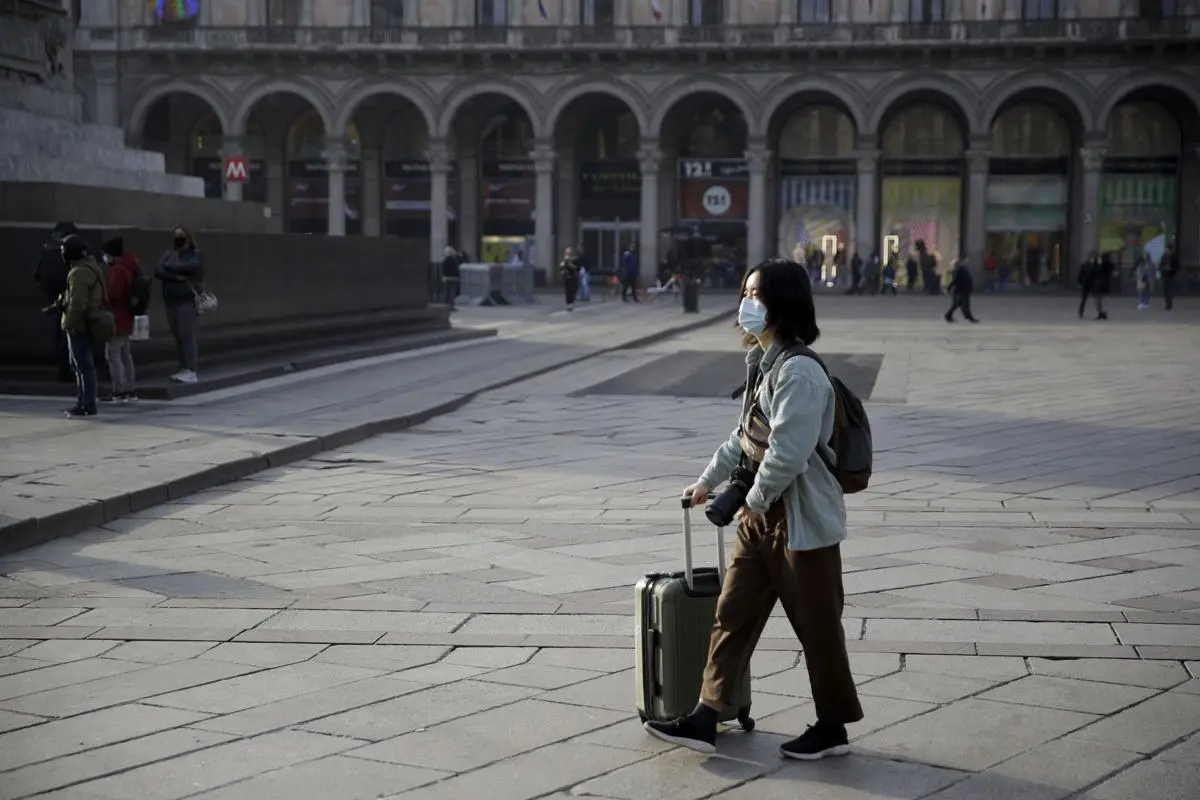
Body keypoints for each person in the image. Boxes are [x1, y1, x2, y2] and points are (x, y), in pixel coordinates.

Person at [644, 258, 863, 760]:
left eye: (755, 295)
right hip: (760, 519)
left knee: (818, 627)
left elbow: (787, 451)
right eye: (744, 293)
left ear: (782, 304)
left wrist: (755, 502)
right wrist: (707, 481)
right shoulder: (765, 365)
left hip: (800, 523)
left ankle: (832, 727)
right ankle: (706, 714)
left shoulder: (801, 372)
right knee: (731, 617)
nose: (745, 304)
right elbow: (744, 440)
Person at [58, 234, 105, 418]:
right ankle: (85, 402)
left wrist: (68, 323)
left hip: (79, 325)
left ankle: (86, 404)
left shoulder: (78, 272)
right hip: (87, 323)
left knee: (82, 366)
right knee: (82, 365)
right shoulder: (90, 267)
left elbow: (78, 303)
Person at [155, 226, 204, 383]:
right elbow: (158, 271)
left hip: (187, 301)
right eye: (175, 235)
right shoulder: (169, 254)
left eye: (181, 235)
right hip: (171, 301)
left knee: (186, 335)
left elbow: (192, 268)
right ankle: (183, 367)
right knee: (178, 336)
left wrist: (170, 269)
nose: (177, 238)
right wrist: (176, 276)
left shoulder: (195, 255)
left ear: (188, 238)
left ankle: (191, 369)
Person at [34, 221, 78, 382]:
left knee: (60, 331)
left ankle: (63, 369)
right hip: (71, 295)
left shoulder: (47, 248)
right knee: (72, 334)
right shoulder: (73, 248)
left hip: (53, 295)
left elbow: (38, 274)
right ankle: (70, 369)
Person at [101, 237, 141, 402]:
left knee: (113, 354)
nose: (104, 258)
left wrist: (101, 299)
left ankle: (119, 390)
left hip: (116, 318)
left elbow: (113, 295)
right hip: (127, 317)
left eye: (105, 254)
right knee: (125, 354)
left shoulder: (117, 270)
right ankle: (130, 389)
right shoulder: (130, 267)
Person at [945, 257, 979, 323]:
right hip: (961, 290)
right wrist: (949, 288)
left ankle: (949, 315)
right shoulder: (960, 270)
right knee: (964, 305)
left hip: (963, 290)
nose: (967, 262)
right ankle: (969, 317)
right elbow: (955, 280)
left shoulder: (963, 269)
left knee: (957, 304)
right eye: (966, 260)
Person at [1078, 252, 1100, 319]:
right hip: (1086, 284)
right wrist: (1079, 283)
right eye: (1091, 258)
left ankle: (1100, 312)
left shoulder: (1097, 266)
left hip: (1094, 284)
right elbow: (1080, 275)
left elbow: (1099, 275)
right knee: (1084, 299)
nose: (1092, 259)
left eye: (1093, 258)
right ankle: (1081, 312)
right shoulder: (1085, 265)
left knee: (1097, 300)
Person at [560, 246, 581, 311]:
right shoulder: (564, 260)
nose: (567, 253)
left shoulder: (575, 259)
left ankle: (571, 302)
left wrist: (568, 263)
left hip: (573, 277)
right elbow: (561, 267)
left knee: (573, 290)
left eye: (568, 252)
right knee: (568, 291)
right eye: (566, 252)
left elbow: (576, 268)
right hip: (567, 277)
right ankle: (569, 303)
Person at [441, 245, 460, 311]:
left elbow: (443, 269)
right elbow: (456, 269)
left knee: (446, 292)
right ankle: (451, 306)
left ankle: (446, 305)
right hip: (454, 278)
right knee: (452, 292)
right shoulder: (454, 260)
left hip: (446, 278)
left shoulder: (445, 260)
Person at [1094, 253, 1114, 320]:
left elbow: (1098, 271)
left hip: (1101, 284)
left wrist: (1099, 263)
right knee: (1102, 300)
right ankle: (1102, 313)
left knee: (1100, 300)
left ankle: (1102, 313)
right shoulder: (1107, 265)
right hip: (1103, 285)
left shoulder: (1105, 265)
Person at [1160, 243, 1179, 311]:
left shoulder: (1174, 257)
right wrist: (1163, 268)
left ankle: (1169, 304)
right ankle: (1167, 303)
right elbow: (1160, 265)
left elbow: (1177, 267)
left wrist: (1171, 269)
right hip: (1165, 275)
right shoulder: (1164, 256)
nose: (1167, 251)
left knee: (1170, 290)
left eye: (1168, 250)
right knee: (1166, 290)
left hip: (1171, 275)